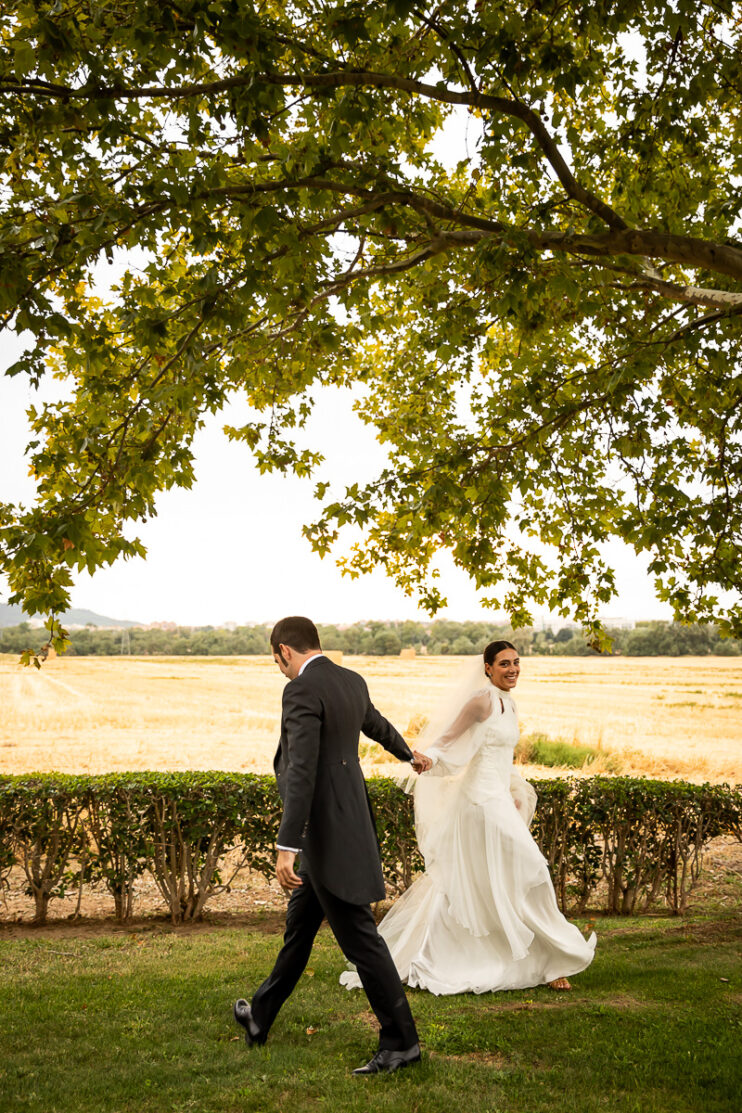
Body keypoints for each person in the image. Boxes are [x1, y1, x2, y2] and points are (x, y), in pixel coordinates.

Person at [233, 616, 432, 1075]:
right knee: (299, 932)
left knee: (362, 942)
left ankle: (401, 1043)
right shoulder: (350, 680)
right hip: (345, 822)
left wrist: (287, 844)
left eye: (277, 661)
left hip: (324, 836)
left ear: (284, 651)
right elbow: (376, 724)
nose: (280, 669)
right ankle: (259, 1016)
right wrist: (408, 753)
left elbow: (301, 769)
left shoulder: (300, 689)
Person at [341, 640, 596, 996]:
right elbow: (448, 737)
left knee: (494, 880)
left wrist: (512, 789)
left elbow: (500, 755)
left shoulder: (509, 702)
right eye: (504, 664)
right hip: (479, 803)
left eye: (516, 662)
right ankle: (546, 958)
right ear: (488, 668)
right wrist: (426, 758)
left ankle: (544, 961)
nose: (512, 669)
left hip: (499, 800)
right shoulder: (481, 700)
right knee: (530, 870)